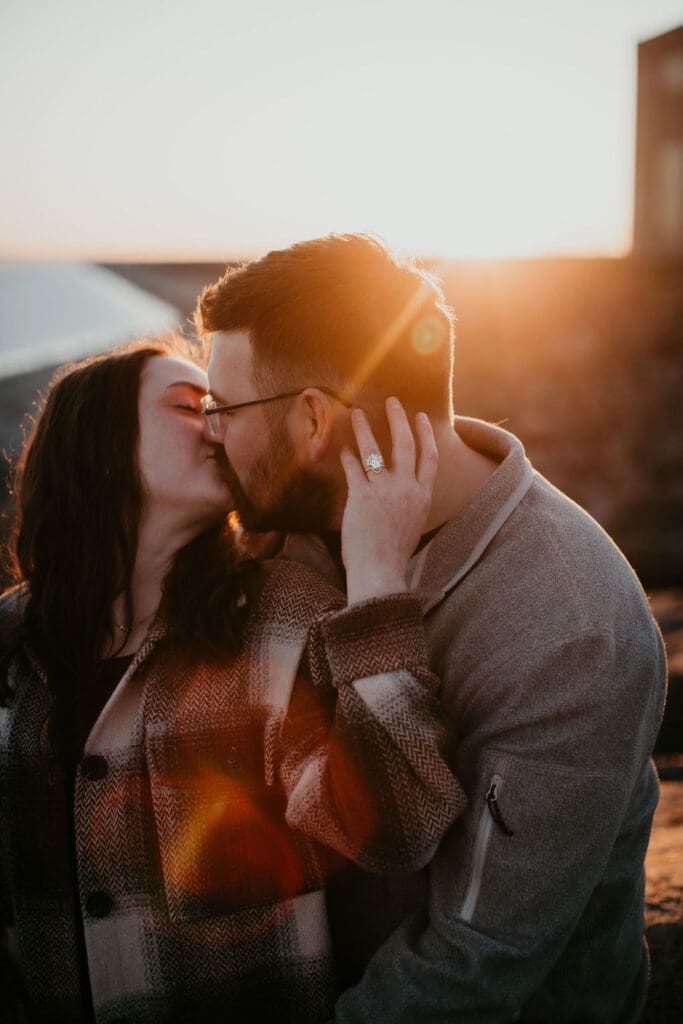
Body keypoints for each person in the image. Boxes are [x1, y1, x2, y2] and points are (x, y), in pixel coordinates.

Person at [195, 232, 668, 1024]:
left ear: (314, 420)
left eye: (222, 409)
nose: (209, 433)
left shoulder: (568, 628)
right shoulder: (294, 531)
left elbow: (473, 963)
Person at [0, 339, 465, 1024]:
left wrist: (374, 577)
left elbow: (397, 831)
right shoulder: (11, 645)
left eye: (220, 407)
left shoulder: (280, 619)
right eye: (191, 407)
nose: (219, 425)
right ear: (95, 438)